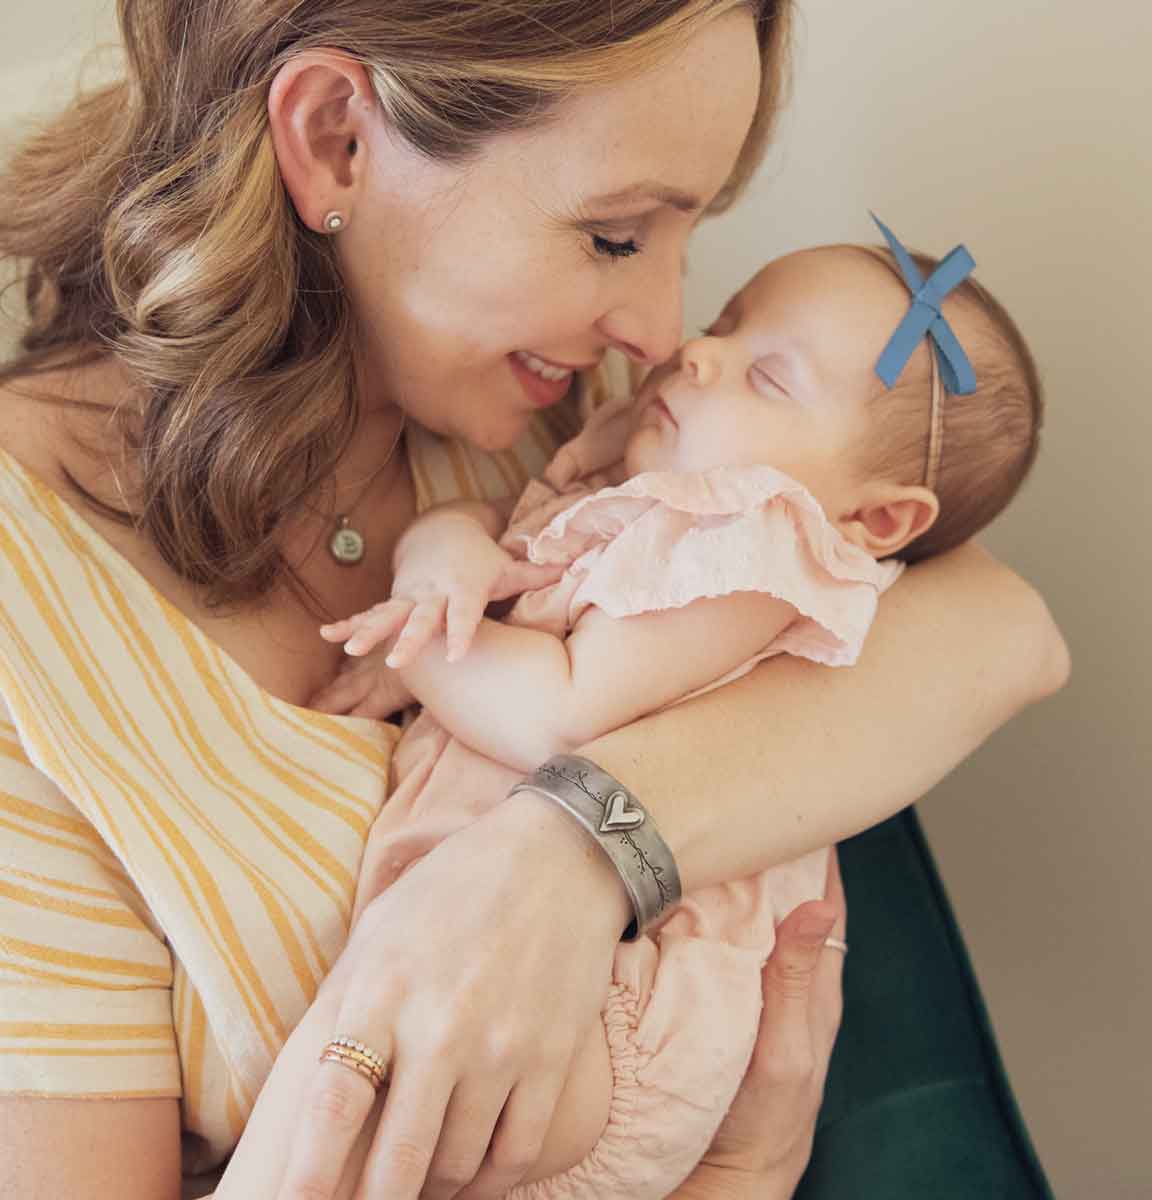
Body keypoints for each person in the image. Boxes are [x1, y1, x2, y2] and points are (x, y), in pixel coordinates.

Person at [0, 2, 1068, 1198]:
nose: (658, 335)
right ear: (336, 141)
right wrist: (735, 1179)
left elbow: (1004, 634)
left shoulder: (564, 433)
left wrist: (568, 855)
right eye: (615, 236)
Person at [308, 228, 1041, 1197]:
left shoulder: (756, 550)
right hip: (547, 983)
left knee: (372, 1145)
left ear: (878, 522)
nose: (699, 352)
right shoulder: (629, 478)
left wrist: (426, 645)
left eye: (768, 379)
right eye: (729, 322)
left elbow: (561, 717)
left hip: (624, 1010)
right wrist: (439, 562)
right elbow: (505, 542)